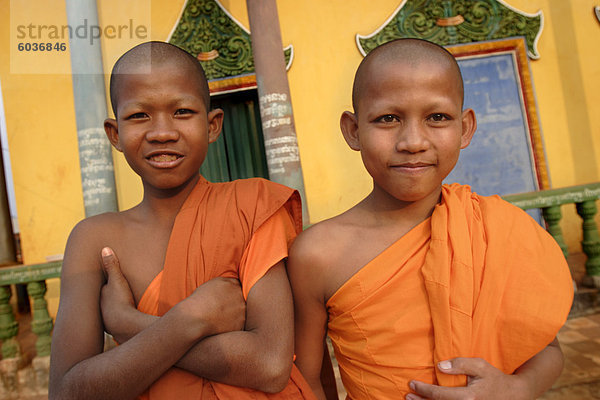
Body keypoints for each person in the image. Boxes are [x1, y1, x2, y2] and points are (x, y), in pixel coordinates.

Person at [287, 38, 574, 400]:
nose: (413, 141)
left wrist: (517, 388)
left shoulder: (499, 230)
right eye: (388, 118)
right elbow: (307, 379)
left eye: (437, 117)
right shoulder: (318, 254)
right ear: (354, 130)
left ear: (465, 127)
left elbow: (547, 349)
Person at [49, 41, 315, 400]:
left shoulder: (252, 208)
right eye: (139, 115)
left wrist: (130, 326)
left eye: (182, 112)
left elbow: (269, 365)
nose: (162, 132)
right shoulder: (93, 239)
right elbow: (68, 392)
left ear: (212, 125)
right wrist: (190, 319)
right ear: (115, 134)